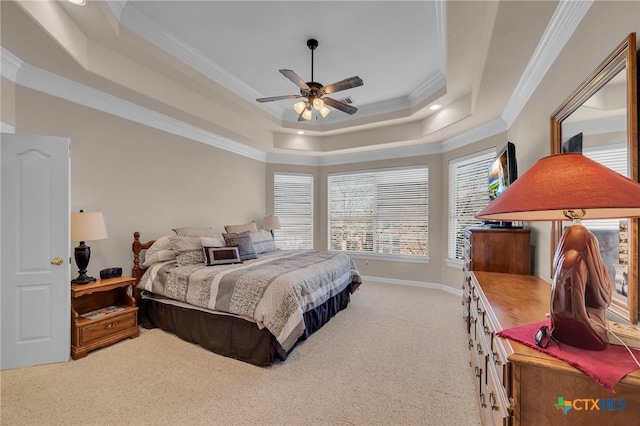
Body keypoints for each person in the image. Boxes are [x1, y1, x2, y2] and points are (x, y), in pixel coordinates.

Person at [550, 224, 612, 350]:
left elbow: (569, 312)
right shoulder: (576, 260)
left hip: (588, 329)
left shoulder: (574, 261)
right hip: (588, 328)